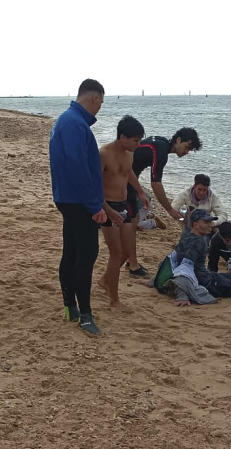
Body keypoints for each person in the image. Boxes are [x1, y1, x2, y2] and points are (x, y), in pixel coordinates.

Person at [49, 79, 107, 335]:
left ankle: (69, 306)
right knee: (85, 255)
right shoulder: (74, 123)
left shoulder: (69, 119)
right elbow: (77, 165)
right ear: (94, 99)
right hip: (77, 200)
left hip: (69, 197)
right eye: (101, 103)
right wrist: (95, 205)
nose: (100, 109)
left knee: (71, 252)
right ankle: (85, 313)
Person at [124, 128, 203, 277]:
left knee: (131, 222)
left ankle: (131, 261)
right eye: (187, 147)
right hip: (122, 179)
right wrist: (170, 210)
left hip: (127, 179)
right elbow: (156, 183)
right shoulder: (160, 150)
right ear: (178, 140)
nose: (186, 152)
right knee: (130, 224)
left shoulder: (160, 143)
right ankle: (132, 265)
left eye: (190, 150)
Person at [98, 115, 149, 308]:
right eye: (135, 140)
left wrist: (141, 192)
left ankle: (104, 281)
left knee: (127, 252)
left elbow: (128, 174)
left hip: (124, 203)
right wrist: (108, 210)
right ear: (122, 137)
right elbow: (93, 185)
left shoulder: (130, 154)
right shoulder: (104, 153)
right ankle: (114, 299)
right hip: (107, 206)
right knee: (116, 252)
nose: (138, 144)